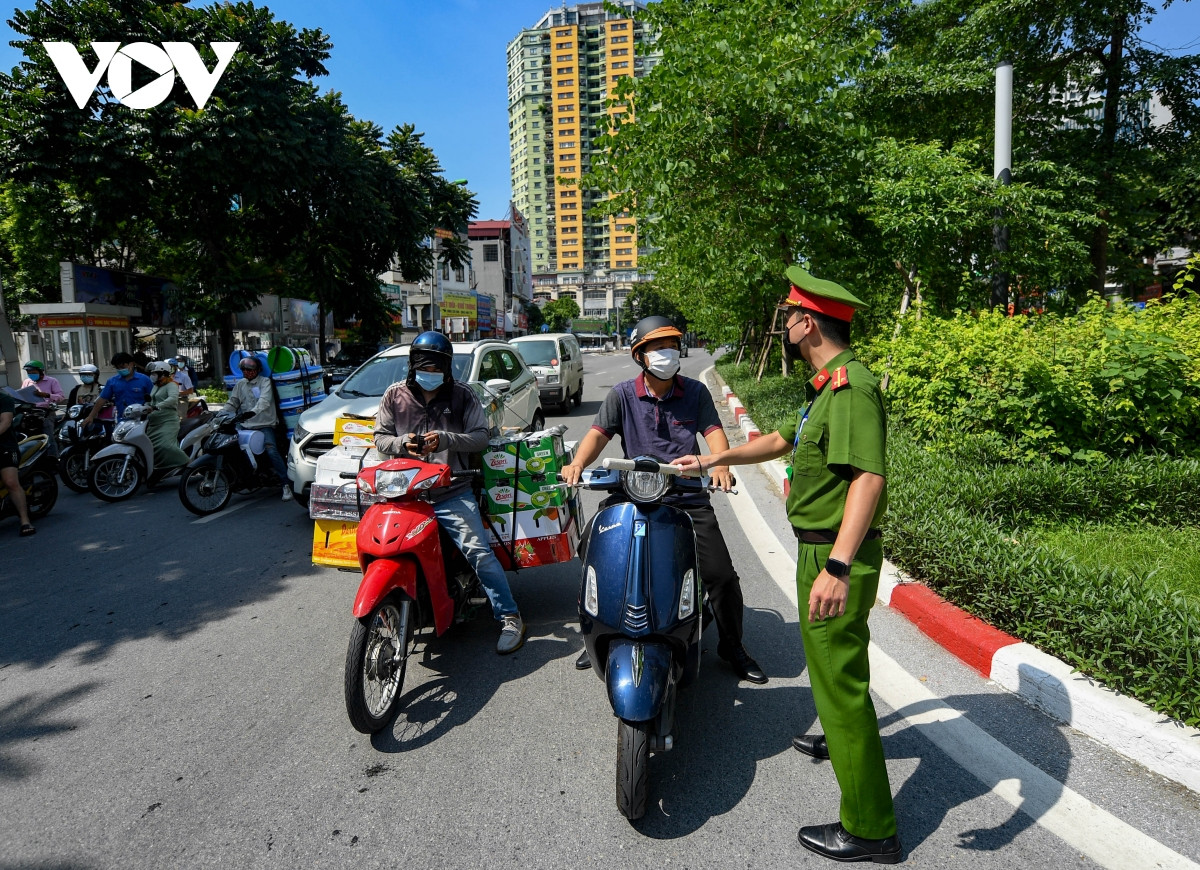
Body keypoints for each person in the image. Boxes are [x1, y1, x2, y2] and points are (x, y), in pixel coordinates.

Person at [674, 266, 901, 864]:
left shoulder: (851, 387)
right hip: (816, 547)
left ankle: (872, 829)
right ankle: (837, 735)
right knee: (833, 676)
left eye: (790, 315)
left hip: (832, 553)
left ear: (808, 322)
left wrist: (840, 566)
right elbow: (780, 441)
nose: (785, 324)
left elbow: (868, 478)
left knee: (840, 685)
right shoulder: (824, 385)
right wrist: (712, 458)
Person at [561, 315, 767, 684]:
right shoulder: (622, 394)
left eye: (671, 346)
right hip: (631, 493)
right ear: (640, 355)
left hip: (685, 496)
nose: (666, 353)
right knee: (592, 547)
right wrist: (577, 463)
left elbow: (715, 434)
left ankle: (732, 643)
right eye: (657, 347)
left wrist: (718, 466)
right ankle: (598, 629)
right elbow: (597, 435)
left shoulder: (695, 393)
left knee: (720, 574)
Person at [374, 331, 527, 655]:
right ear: (413, 366)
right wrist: (402, 443)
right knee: (384, 547)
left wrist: (447, 439)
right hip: (406, 494)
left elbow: (481, 437)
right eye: (424, 368)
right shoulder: (394, 396)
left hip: (451, 492)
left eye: (436, 369)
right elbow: (380, 438)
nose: (430, 375)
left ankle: (510, 617)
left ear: (447, 368)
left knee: (479, 553)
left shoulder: (462, 395)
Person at [223, 356, 292, 501]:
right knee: (227, 443)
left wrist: (252, 412)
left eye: (250, 369)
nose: (246, 372)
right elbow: (233, 402)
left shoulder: (265, 382)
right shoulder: (240, 384)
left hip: (265, 424)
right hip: (245, 425)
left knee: (271, 449)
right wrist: (222, 414)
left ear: (258, 370)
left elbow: (264, 401)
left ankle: (286, 485)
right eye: (244, 369)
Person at [144, 361, 190, 479]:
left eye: (155, 373)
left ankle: (187, 463)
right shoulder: (156, 386)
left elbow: (172, 399)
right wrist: (144, 406)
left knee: (166, 446)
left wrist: (157, 406)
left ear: (163, 373)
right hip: (154, 423)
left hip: (168, 421)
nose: (152, 375)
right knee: (148, 446)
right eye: (152, 373)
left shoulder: (171, 385)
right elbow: (151, 400)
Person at [84, 353, 154, 429]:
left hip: (143, 421)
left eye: (122, 367)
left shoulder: (144, 379)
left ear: (131, 364)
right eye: (117, 368)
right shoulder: (112, 381)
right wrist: (90, 416)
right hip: (122, 421)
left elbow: (154, 397)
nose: (120, 370)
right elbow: (102, 399)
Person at [0, 390, 35, 536]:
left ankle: (25, 521)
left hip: (5, 447)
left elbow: (6, 421)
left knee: (11, 482)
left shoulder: (4, 399)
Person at [20, 360, 65, 458]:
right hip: (30, 413)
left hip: (46, 413)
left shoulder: (52, 381)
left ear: (41, 372)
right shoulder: (27, 382)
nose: (31, 375)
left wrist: (46, 395)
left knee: (48, 437)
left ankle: (53, 459)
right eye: (29, 373)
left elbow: (61, 397)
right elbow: (22, 396)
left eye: (33, 373)